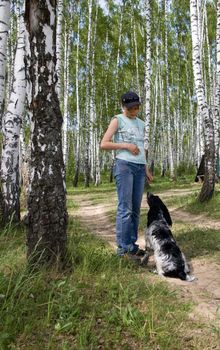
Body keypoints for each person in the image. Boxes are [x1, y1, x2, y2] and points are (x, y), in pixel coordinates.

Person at [100, 91, 153, 257]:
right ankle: (123, 248)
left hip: (139, 168)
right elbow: (104, 144)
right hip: (124, 166)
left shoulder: (141, 123)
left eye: (137, 108)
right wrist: (126, 146)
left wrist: (146, 169)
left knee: (136, 209)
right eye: (131, 108)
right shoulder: (118, 120)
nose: (134, 111)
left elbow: (142, 148)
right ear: (124, 107)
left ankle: (132, 244)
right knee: (126, 208)